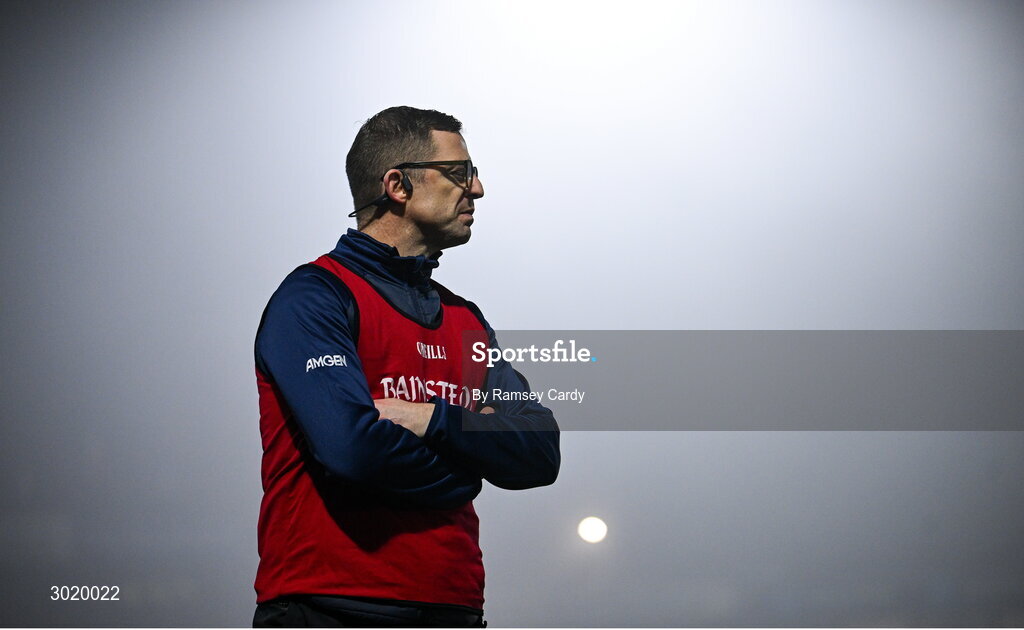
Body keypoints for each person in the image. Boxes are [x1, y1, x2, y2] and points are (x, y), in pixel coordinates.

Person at [252, 106, 560, 627]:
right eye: (460, 172)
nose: (478, 188)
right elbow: (354, 450)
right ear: (397, 184)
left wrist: (432, 421)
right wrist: (469, 466)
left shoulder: (465, 319)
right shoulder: (315, 297)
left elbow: (539, 451)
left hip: (454, 609)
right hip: (330, 607)